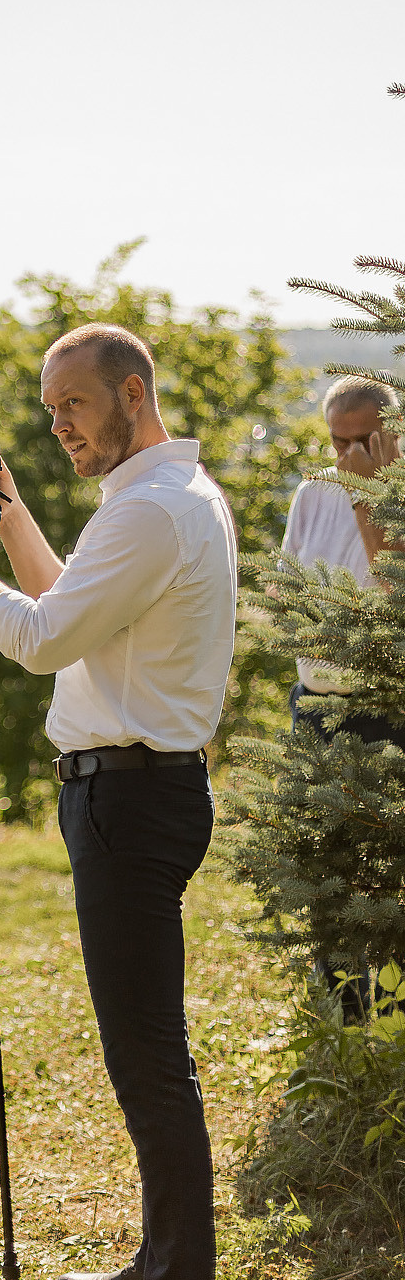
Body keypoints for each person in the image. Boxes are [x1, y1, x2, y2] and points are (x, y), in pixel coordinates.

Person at [0, 324, 236, 1280]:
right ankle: (154, 1264)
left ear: (130, 396)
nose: (56, 428)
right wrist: (14, 521)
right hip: (138, 795)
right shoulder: (167, 500)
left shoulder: (148, 514)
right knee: (147, 1057)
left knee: (149, 1067)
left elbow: (36, 640)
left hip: (129, 806)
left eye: (72, 407)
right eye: (47, 412)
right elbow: (65, 606)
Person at [281, 375, 403, 1015]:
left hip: (388, 708)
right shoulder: (311, 494)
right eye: (338, 443)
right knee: (329, 867)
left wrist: (369, 501)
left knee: (385, 875)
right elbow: (287, 587)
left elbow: (393, 593)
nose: (350, 457)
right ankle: (342, 1011)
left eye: (365, 441)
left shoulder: (399, 494)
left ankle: (391, 1013)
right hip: (316, 702)